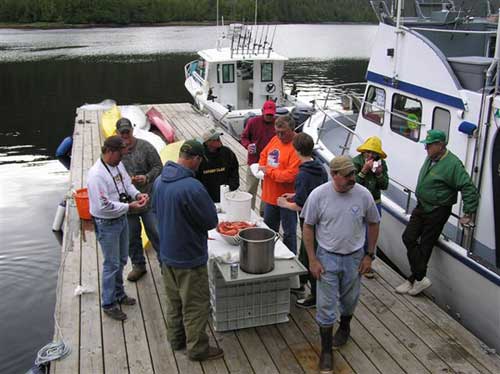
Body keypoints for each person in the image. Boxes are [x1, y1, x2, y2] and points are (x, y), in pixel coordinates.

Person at [301, 155, 380, 373]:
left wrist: (369, 255)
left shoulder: (363, 195)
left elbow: (373, 223)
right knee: (326, 304)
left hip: (355, 257)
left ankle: (345, 327)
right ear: (333, 175)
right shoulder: (318, 196)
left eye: (353, 173)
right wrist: (312, 259)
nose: (352, 178)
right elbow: (308, 227)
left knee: (350, 298)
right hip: (326, 257)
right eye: (347, 175)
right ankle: (326, 350)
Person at [152, 139, 223, 361]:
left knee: (173, 302)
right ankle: (198, 349)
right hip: (190, 258)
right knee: (195, 306)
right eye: (200, 161)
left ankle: (176, 340)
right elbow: (211, 221)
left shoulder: (159, 181)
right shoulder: (193, 187)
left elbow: (155, 209)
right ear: (196, 159)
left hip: (167, 255)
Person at [396, 130, 479, 296]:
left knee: (425, 246)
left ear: (440, 146)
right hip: (422, 206)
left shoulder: (453, 165)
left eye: (429, 144)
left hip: (437, 211)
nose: (426, 147)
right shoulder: (432, 156)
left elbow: (469, 188)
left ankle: (413, 279)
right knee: (408, 237)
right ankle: (420, 279)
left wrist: (468, 213)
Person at [87, 136, 149, 321]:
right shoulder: (97, 175)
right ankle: (108, 303)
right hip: (107, 223)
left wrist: (137, 194)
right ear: (110, 152)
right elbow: (103, 205)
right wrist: (129, 207)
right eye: (120, 154)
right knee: (111, 264)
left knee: (122, 259)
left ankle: (119, 294)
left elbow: (127, 184)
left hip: (120, 218)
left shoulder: (117, 165)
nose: (122, 158)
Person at [277, 132, 328, 308]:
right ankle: (300, 283)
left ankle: (315, 296)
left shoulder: (302, 175)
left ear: (296, 149)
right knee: (306, 254)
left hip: (310, 224)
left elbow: (301, 206)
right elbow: (315, 193)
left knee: (311, 256)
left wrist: (284, 203)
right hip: (323, 220)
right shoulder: (320, 167)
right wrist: (294, 194)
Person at [116, 118, 163, 282]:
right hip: (128, 204)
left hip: (148, 200)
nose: (125, 135)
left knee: (156, 232)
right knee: (131, 237)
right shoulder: (116, 152)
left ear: (132, 130)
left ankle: (165, 264)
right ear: (117, 133)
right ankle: (138, 266)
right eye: (122, 132)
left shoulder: (145, 147)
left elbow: (159, 167)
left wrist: (147, 177)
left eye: (127, 131)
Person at [258, 115, 301, 254]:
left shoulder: (297, 145)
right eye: (277, 132)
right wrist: (261, 166)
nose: (280, 135)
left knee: (289, 233)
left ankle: (291, 260)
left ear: (292, 130)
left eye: (283, 132)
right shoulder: (275, 139)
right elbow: (264, 155)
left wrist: (268, 171)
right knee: (269, 230)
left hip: (287, 199)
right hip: (270, 196)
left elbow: (289, 176)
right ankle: (268, 255)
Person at [352, 136, 389, 278]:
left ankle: (368, 262)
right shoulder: (355, 162)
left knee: (371, 233)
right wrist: (363, 171)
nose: (371, 156)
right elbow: (352, 185)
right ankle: (356, 261)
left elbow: (385, 185)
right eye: (368, 152)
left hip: (375, 202)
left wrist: (379, 174)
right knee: (356, 230)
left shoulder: (381, 164)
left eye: (374, 153)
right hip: (359, 202)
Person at [241, 100, 277, 215]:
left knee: (267, 190)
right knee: (251, 188)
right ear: (262, 111)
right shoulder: (253, 122)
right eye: (267, 114)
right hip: (254, 162)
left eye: (271, 115)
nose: (269, 117)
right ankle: (249, 212)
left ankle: (263, 213)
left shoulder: (278, 124)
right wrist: (248, 145)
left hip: (270, 164)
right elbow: (244, 137)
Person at [196, 126, 240, 202]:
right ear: (207, 142)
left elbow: (234, 171)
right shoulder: (199, 157)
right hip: (205, 197)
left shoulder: (228, 153)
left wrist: (231, 187)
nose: (219, 140)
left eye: (219, 138)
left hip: (226, 195)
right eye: (216, 139)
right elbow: (196, 177)